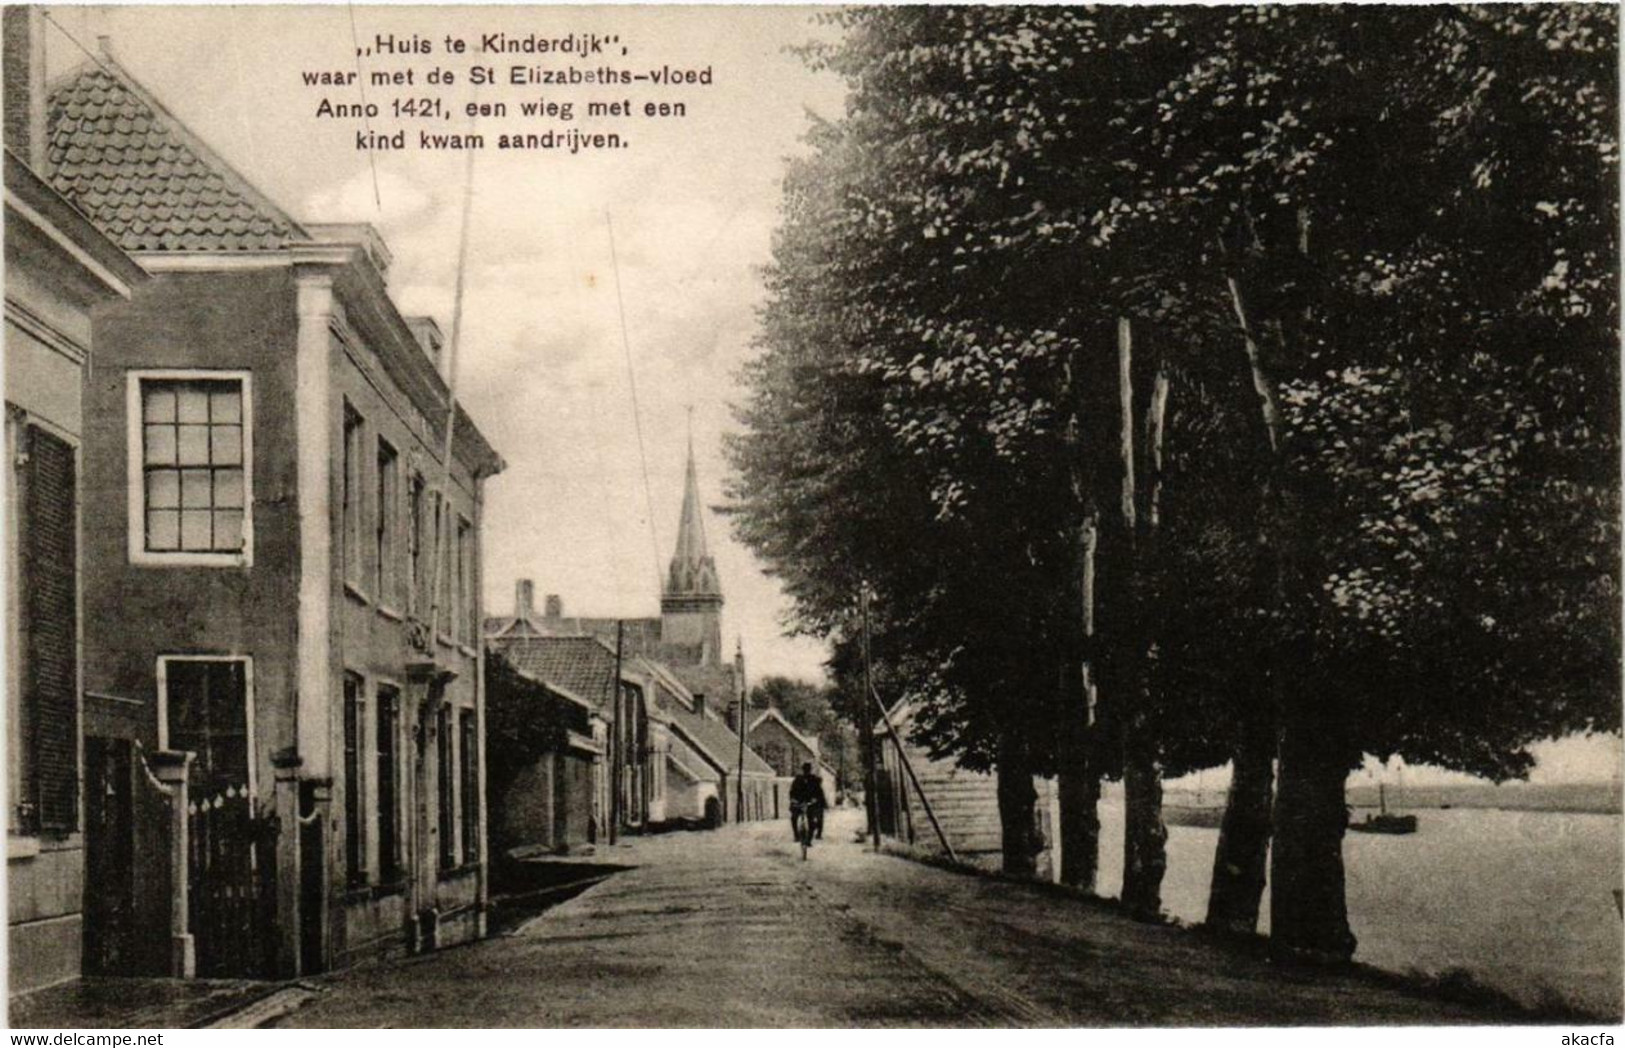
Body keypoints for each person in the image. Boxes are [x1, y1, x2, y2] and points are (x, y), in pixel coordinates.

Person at [788, 761, 828, 841]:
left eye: (808, 769)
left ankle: (806, 838)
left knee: (811, 820)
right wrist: (793, 800)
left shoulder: (813, 779)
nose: (806, 771)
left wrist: (816, 800)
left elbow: (818, 792)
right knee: (794, 818)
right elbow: (792, 791)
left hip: (810, 803)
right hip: (800, 803)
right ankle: (797, 835)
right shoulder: (798, 779)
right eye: (805, 769)